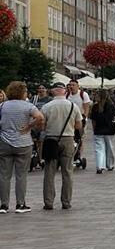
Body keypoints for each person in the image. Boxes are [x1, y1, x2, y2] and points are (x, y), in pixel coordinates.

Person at [0, 81, 45, 213]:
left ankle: (4, 205)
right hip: (23, 143)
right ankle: (20, 204)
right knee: (21, 175)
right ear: (22, 93)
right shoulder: (28, 106)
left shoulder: (2, 105)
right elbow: (40, 117)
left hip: (4, 142)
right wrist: (29, 126)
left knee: (4, 175)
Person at [41, 81, 83, 210]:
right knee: (67, 172)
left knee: (49, 172)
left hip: (51, 139)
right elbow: (78, 125)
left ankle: (48, 202)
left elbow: (42, 125)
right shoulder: (73, 106)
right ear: (65, 91)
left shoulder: (46, 107)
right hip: (68, 139)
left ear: (53, 91)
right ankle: (66, 201)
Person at [90, 91, 115, 173]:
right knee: (109, 148)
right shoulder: (111, 106)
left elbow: (93, 120)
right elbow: (114, 117)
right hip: (109, 130)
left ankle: (100, 166)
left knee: (99, 149)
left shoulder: (95, 107)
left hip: (98, 130)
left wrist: (94, 129)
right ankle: (110, 165)